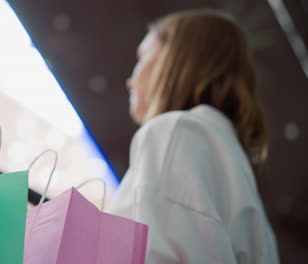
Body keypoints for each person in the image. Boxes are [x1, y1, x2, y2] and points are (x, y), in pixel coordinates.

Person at [106, 9, 279, 264]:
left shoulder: (175, 130)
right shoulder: (232, 166)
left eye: (142, 57)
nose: (130, 81)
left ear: (172, 60)